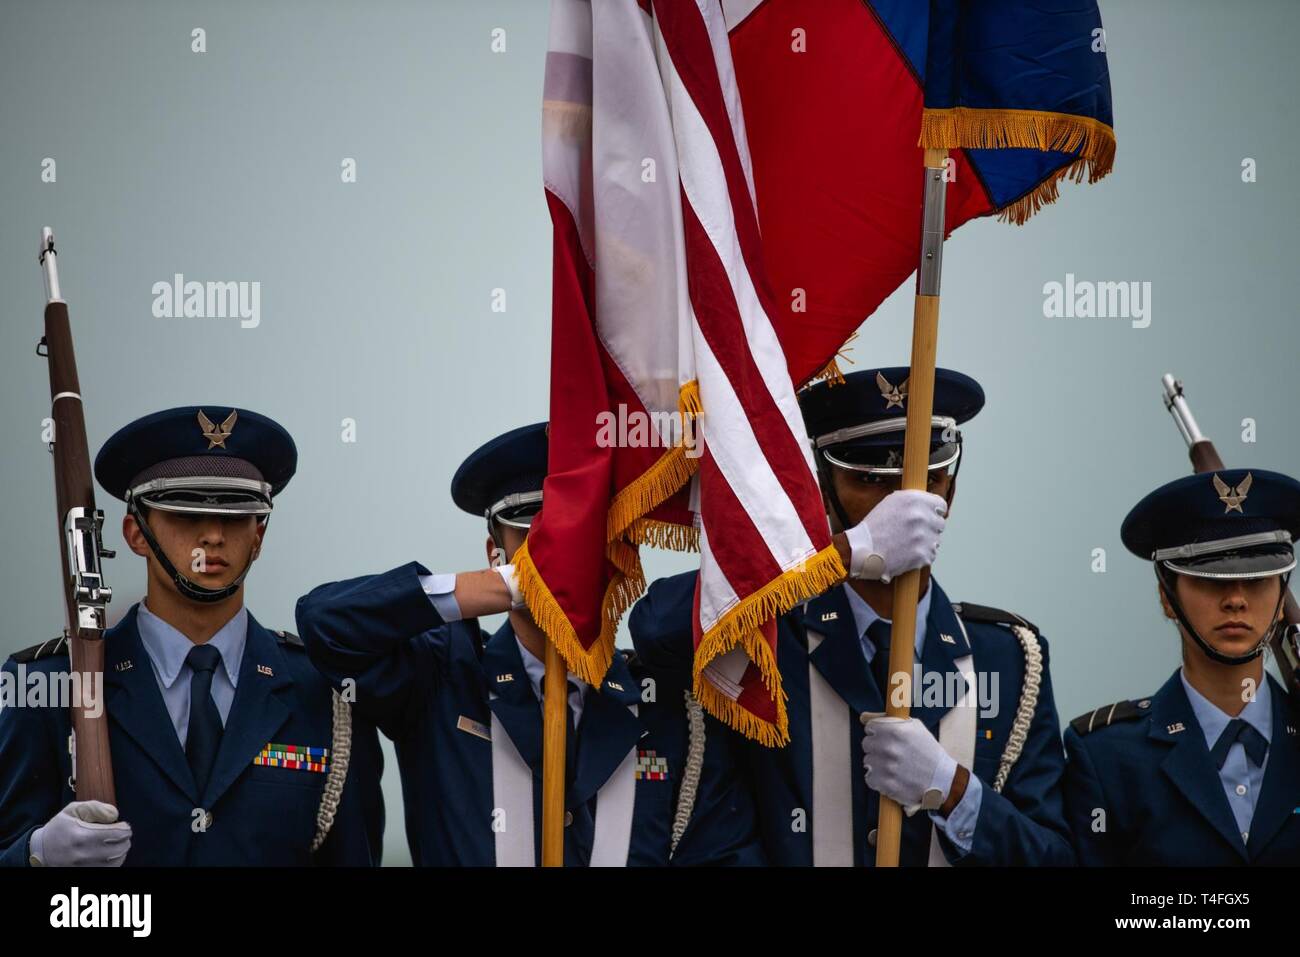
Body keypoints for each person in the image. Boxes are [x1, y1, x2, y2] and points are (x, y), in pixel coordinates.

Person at [631, 368, 1074, 866]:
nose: (902, 504)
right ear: (823, 486)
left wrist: (953, 793)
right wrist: (841, 554)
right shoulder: (769, 631)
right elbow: (655, 628)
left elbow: (1055, 858)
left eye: (928, 478)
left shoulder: (1009, 657)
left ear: (950, 489)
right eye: (868, 479)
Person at [295, 423, 762, 866]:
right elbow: (328, 623)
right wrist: (514, 586)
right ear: (493, 553)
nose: (561, 549)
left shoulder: (671, 709)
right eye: (532, 531)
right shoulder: (442, 678)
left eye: (584, 529)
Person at [0, 406, 384, 866]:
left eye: (238, 516)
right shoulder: (49, 684)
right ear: (135, 534)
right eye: (186, 513)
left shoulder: (323, 691)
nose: (214, 535)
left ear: (259, 536)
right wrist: (35, 855)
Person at [1064, 468, 1300, 865]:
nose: (1236, 601)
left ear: (1282, 596)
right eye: (1210, 579)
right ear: (1167, 596)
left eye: (1257, 578)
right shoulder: (1107, 757)